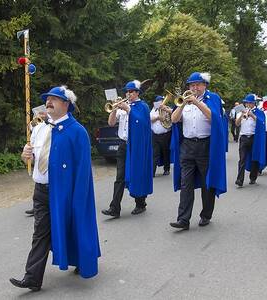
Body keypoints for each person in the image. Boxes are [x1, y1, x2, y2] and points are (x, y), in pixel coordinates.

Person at [10, 86, 100, 291]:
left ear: (66, 104)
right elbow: (33, 156)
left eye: (54, 99)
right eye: (48, 99)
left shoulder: (78, 132)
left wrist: (79, 198)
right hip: (42, 190)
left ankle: (80, 259)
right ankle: (32, 277)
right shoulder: (40, 128)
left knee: (73, 226)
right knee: (40, 232)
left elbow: (83, 169)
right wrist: (26, 155)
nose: (49, 102)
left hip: (66, 192)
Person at [169, 72, 227, 230]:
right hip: (187, 146)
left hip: (206, 145)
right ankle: (183, 219)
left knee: (206, 183)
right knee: (185, 183)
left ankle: (206, 214)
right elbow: (174, 120)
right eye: (191, 85)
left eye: (197, 84)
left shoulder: (212, 98)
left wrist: (196, 103)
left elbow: (214, 117)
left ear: (204, 85)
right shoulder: (183, 100)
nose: (194, 88)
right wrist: (181, 105)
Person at [101, 80, 153, 218]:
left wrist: (128, 109)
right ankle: (114, 208)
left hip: (137, 145)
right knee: (120, 176)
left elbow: (142, 123)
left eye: (130, 91)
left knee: (137, 173)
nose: (128, 94)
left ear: (137, 93)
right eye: (127, 91)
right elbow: (111, 123)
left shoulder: (143, 106)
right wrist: (113, 110)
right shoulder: (123, 107)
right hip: (123, 145)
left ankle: (140, 203)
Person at [234, 94, 266, 187]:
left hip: (254, 138)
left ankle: (253, 178)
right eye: (247, 103)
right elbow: (237, 123)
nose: (248, 105)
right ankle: (239, 180)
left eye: (250, 103)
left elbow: (261, 123)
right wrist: (241, 115)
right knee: (242, 159)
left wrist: (252, 115)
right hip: (243, 138)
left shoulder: (259, 112)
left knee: (254, 159)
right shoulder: (241, 111)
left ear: (254, 103)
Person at [25, 110, 49, 217]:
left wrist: (47, 118)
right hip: (40, 182)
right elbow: (30, 127)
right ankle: (36, 207)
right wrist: (37, 118)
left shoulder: (56, 125)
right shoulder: (37, 126)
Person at [151, 95, 172, 177]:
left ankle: (166, 169)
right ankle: (152, 171)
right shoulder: (153, 110)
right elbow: (149, 119)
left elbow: (171, 120)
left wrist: (166, 116)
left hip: (165, 134)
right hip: (155, 135)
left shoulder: (166, 108)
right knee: (155, 154)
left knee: (166, 152)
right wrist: (158, 117)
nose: (161, 103)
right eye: (159, 102)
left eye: (162, 101)